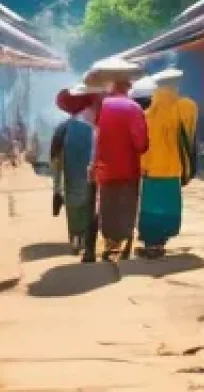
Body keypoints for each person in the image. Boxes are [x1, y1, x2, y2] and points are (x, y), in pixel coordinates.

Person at [88, 62, 149, 262]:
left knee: (108, 206)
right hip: (129, 169)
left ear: (112, 87)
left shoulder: (103, 107)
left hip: (105, 169)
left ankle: (110, 243)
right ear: (128, 88)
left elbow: (97, 138)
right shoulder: (135, 108)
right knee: (128, 205)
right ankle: (126, 242)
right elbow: (141, 144)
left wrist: (94, 164)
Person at [137, 68, 198, 259]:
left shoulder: (146, 114)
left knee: (150, 207)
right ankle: (161, 242)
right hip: (173, 168)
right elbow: (190, 130)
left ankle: (151, 243)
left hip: (151, 169)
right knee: (168, 207)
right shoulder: (185, 107)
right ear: (176, 86)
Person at [50, 86, 100, 254]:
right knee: (89, 203)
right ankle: (86, 238)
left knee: (72, 204)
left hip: (70, 177)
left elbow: (54, 156)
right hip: (90, 173)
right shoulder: (95, 127)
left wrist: (56, 185)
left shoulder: (63, 128)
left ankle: (75, 237)